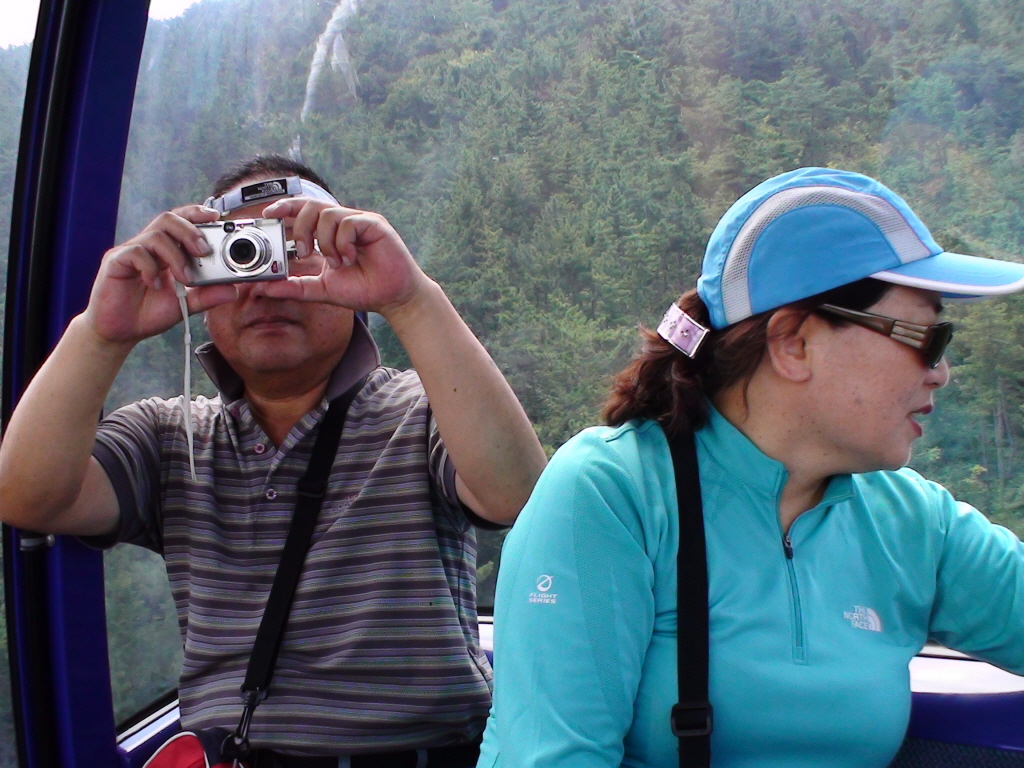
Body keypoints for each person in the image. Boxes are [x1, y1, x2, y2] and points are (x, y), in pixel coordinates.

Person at [0, 155, 547, 766]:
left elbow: (515, 494)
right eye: (235, 252)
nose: (261, 283)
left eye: (292, 249)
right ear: (195, 280)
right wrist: (102, 333)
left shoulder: (425, 410)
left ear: (347, 265)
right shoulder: (170, 434)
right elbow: (28, 496)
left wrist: (411, 299)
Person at [478, 167, 1024, 768]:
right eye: (925, 337)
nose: (940, 373)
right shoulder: (612, 493)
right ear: (793, 343)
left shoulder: (913, 521)